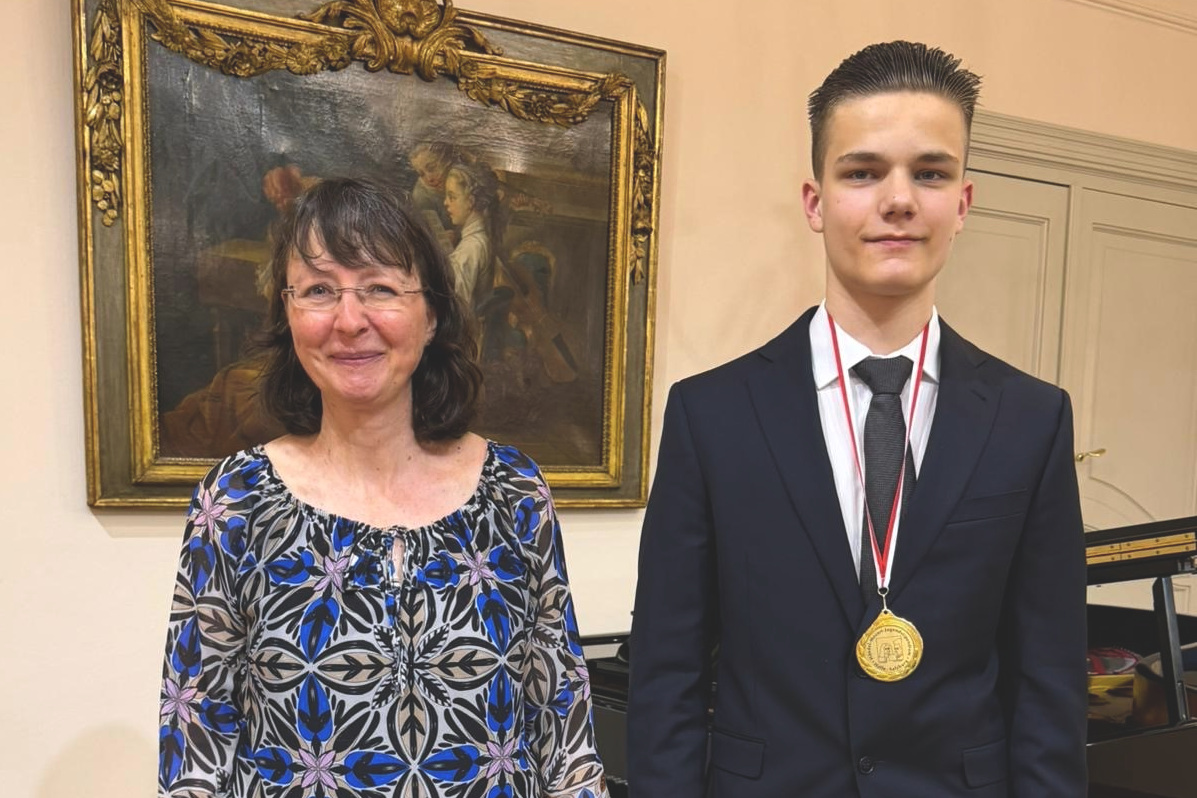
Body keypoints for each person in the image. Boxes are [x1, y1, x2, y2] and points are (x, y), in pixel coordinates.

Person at [627, 41, 1086, 797]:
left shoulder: (1030, 421)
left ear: (962, 203)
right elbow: (665, 675)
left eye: (929, 173)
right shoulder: (711, 416)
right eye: (862, 171)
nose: (897, 199)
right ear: (815, 201)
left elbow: (1048, 686)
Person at [158, 178, 608, 798]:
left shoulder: (514, 492)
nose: (349, 320)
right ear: (287, 314)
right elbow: (196, 749)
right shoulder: (236, 501)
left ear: (431, 317)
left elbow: (566, 734)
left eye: (381, 288)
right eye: (318, 290)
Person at [443, 160, 504, 314]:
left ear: (470, 202)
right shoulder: (482, 237)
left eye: (452, 197)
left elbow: (456, 310)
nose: (445, 203)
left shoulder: (470, 249)